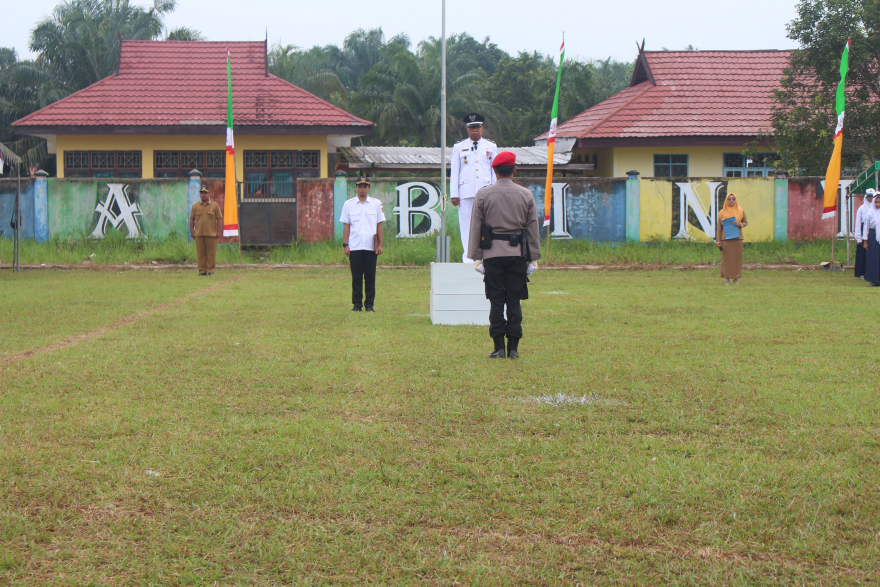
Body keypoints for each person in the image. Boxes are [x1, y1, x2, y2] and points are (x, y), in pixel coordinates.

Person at [467, 151, 540, 359]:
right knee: (514, 301)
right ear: (514, 170)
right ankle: (513, 349)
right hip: (517, 254)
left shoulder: (483, 194)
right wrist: (533, 258)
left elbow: (476, 227)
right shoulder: (526, 194)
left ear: (495, 171)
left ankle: (499, 347)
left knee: (496, 301)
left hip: (492, 254)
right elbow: (532, 228)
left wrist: (477, 257)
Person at [451, 113, 498, 263]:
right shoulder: (459, 147)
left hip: (486, 192)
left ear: (482, 128)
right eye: (471, 128)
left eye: (477, 127)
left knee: (487, 225)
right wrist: (454, 194)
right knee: (467, 226)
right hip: (466, 193)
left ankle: (486, 256)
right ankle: (469, 258)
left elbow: (494, 170)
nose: (474, 130)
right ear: (467, 129)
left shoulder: (491, 146)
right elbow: (455, 171)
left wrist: (495, 191)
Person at [340, 176, 385, 311]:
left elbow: (379, 225)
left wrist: (380, 245)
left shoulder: (376, 204)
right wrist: (345, 245)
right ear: (356, 188)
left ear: (369, 188)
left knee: (370, 277)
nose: (362, 189)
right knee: (356, 277)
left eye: (365, 186)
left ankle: (369, 305)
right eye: (360, 186)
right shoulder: (348, 204)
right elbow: (346, 226)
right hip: (355, 246)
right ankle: (357, 305)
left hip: (371, 247)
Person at [189, 185, 223, 276]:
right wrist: (192, 232)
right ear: (200, 194)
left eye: (205, 193)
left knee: (211, 253)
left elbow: (219, 218)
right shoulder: (195, 206)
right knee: (200, 253)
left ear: (209, 194)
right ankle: (202, 271)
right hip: (199, 234)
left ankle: (210, 270)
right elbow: (192, 219)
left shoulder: (215, 205)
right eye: (202, 193)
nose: (204, 195)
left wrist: (218, 231)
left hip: (211, 234)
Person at [715, 192, 748, 285]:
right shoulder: (722, 213)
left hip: (737, 239)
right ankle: (726, 278)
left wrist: (740, 224)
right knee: (726, 260)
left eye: (733, 199)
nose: (731, 201)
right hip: (726, 240)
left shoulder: (740, 211)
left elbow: (745, 222)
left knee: (737, 259)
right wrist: (718, 240)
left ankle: (736, 278)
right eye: (729, 199)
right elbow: (719, 228)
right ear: (726, 200)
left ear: (736, 200)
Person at [853, 189, 875, 280]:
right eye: (868, 196)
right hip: (863, 230)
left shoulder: (876, 208)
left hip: (873, 230)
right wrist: (858, 237)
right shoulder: (861, 208)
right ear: (866, 197)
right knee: (862, 252)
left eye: (871, 197)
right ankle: (861, 272)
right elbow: (858, 223)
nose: (870, 198)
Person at [864, 195, 880, 286]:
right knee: (873, 258)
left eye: (879, 202)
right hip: (873, 236)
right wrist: (865, 241)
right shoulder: (869, 213)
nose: (878, 204)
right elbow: (866, 228)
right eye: (876, 202)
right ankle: (874, 280)